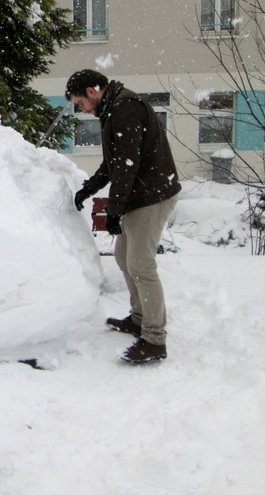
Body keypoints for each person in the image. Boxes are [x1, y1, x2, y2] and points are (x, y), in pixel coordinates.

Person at [66, 69, 181, 364]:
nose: (81, 109)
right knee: (124, 258)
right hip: (137, 195)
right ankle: (139, 318)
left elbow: (129, 164)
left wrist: (113, 209)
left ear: (92, 91)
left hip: (151, 195)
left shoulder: (125, 107)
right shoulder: (113, 109)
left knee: (141, 264)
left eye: (80, 102)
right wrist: (88, 189)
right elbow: (113, 163)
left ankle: (155, 340)